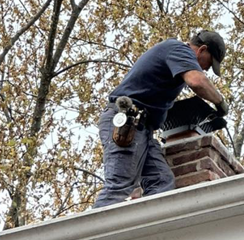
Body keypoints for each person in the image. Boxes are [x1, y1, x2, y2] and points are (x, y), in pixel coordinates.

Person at [93, 31, 228, 208]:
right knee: (118, 187)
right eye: (208, 64)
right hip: (127, 122)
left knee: (161, 182)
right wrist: (220, 102)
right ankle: (87, 235)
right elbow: (196, 81)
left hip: (143, 129)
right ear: (201, 50)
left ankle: (148, 233)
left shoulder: (174, 55)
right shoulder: (178, 49)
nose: (204, 69)